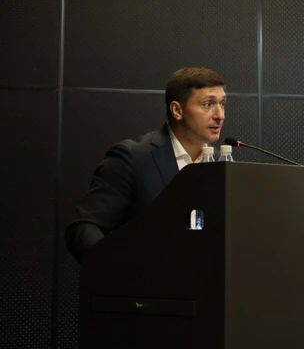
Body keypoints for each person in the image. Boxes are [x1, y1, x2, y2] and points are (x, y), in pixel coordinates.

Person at [64, 66, 227, 263]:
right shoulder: (132, 158)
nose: (220, 115)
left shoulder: (221, 163)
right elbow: (85, 227)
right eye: (208, 104)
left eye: (222, 104)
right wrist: (112, 269)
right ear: (177, 110)